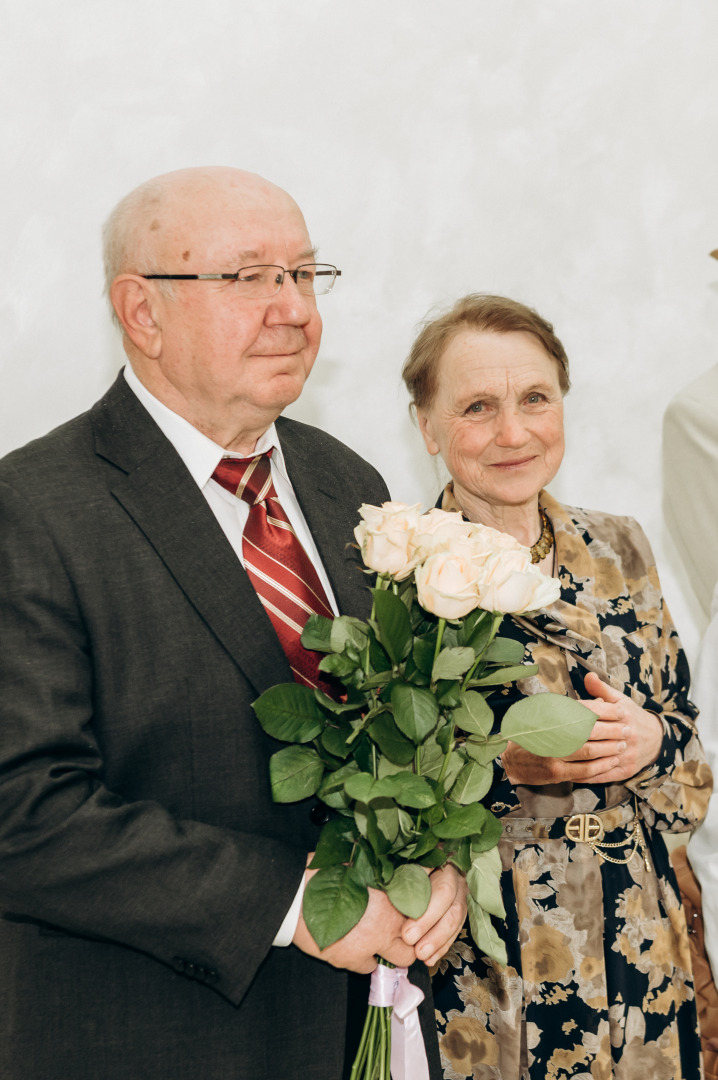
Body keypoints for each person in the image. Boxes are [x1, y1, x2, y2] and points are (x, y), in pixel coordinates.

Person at [0, 167, 466, 1080]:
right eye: (249, 277)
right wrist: (298, 906)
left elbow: (404, 734)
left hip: (354, 1033)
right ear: (142, 311)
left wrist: (438, 856)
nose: (291, 308)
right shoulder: (33, 510)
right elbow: (24, 811)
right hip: (147, 1040)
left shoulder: (349, 484)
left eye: (303, 274)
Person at [401, 293, 711, 1080]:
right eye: (477, 407)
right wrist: (496, 774)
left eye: (535, 399)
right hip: (491, 966)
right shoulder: (395, 574)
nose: (514, 432)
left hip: (641, 946)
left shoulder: (620, 545)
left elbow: (686, 738)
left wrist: (652, 741)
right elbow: (371, 797)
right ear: (426, 425)